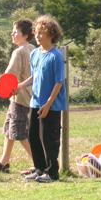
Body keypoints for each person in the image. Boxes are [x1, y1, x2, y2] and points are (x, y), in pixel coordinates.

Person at [0, 19, 35, 173]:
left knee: (20, 133)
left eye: (15, 32)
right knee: (9, 129)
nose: (12, 34)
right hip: (25, 98)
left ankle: (39, 164)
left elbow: (8, 78)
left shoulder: (19, 52)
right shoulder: (33, 49)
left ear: (25, 35)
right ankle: (3, 162)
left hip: (21, 99)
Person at [15, 15, 66, 182]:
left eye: (41, 33)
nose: (37, 36)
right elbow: (34, 77)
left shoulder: (55, 56)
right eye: (36, 32)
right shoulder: (35, 54)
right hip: (35, 103)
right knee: (34, 136)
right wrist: (21, 86)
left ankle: (52, 174)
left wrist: (47, 104)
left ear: (51, 34)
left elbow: (58, 83)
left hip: (51, 106)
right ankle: (39, 169)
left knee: (49, 140)